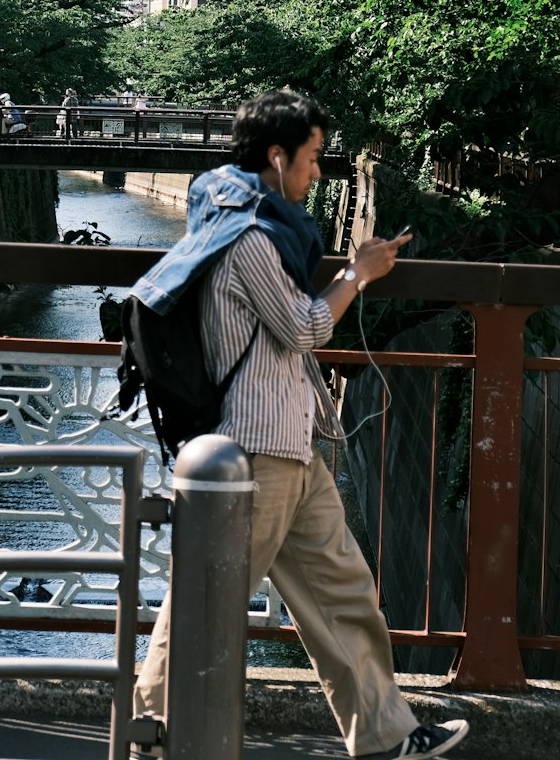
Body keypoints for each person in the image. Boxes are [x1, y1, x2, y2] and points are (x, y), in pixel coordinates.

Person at [130, 90, 469, 760]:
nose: (318, 175)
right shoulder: (247, 234)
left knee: (343, 590)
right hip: (252, 452)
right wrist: (356, 274)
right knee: (205, 602)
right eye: (313, 159)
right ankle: (152, 734)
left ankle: (384, 735)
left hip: (289, 446)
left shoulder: (251, 222)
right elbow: (304, 326)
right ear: (277, 157)